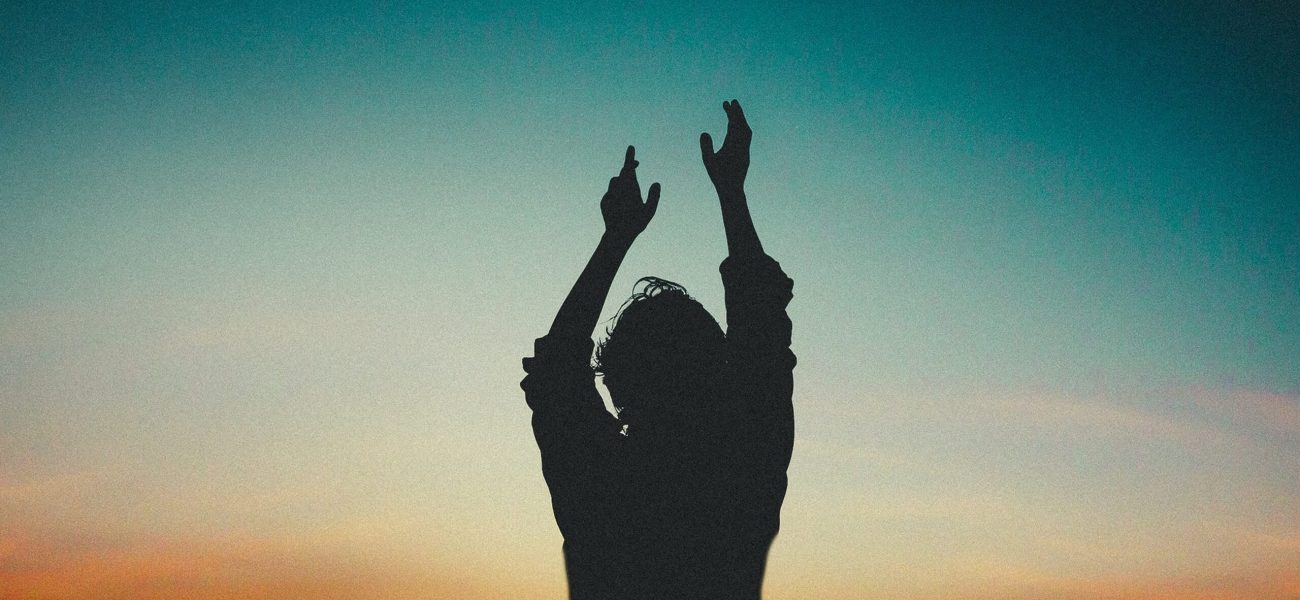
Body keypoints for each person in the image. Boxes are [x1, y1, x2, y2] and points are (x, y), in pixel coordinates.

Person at [521, 100, 795, 600]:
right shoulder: (743, 477)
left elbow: (557, 372)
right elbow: (762, 340)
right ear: (717, 369)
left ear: (621, 377)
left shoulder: (599, 488)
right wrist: (731, 193)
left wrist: (616, 239)